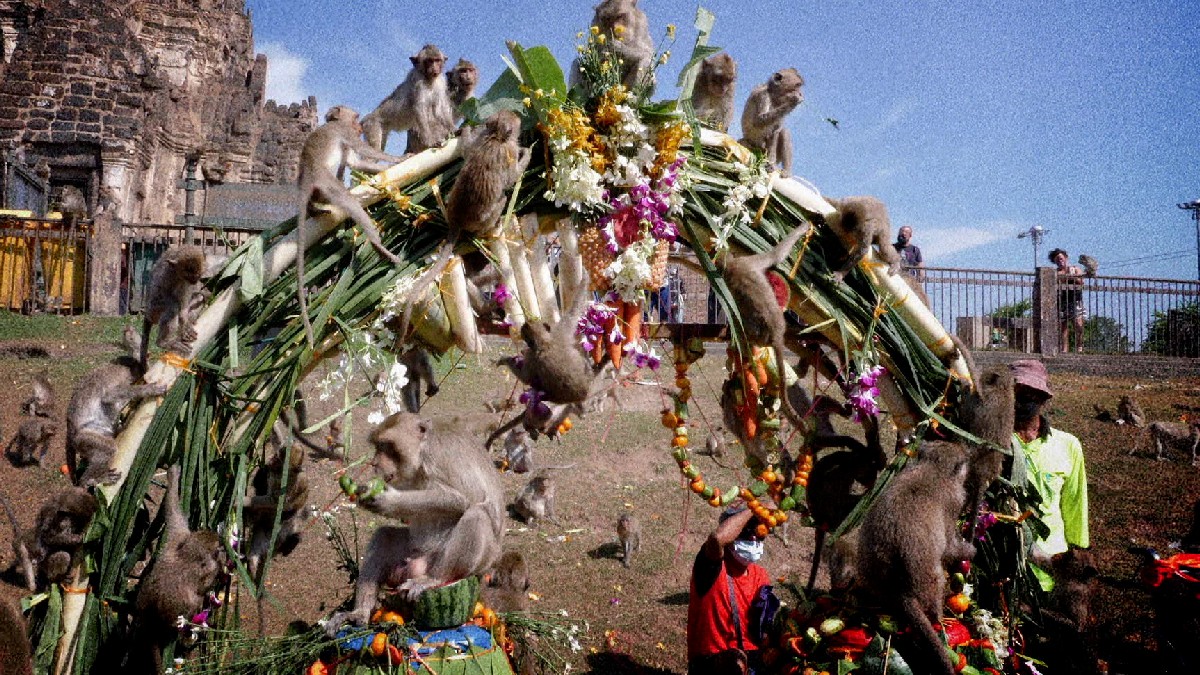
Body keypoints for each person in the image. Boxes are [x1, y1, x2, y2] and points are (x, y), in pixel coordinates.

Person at [1008, 359, 1089, 590]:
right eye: (1017, 394)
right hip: (1005, 567)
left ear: (1043, 398)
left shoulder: (1068, 445)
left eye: (1030, 395)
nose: (1022, 402)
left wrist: (1079, 553)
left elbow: (1075, 504)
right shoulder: (994, 446)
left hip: (1053, 567)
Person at [687, 504, 773, 674]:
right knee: (734, 664)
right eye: (747, 534)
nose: (754, 540)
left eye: (759, 535)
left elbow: (762, 626)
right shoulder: (712, 567)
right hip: (713, 662)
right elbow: (717, 538)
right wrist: (754, 508)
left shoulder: (760, 575)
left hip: (751, 659)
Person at [1049, 247, 1086, 353]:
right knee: (1063, 326)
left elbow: (1081, 281)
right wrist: (1068, 277)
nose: (1060, 261)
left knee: (1078, 324)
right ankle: (1064, 350)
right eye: (1057, 260)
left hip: (1075, 300)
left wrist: (1070, 276)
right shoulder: (1055, 272)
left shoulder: (1075, 269)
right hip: (1061, 300)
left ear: (1066, 258)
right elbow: (1055, 281)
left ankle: (1079, 346)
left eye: (1061, 258)